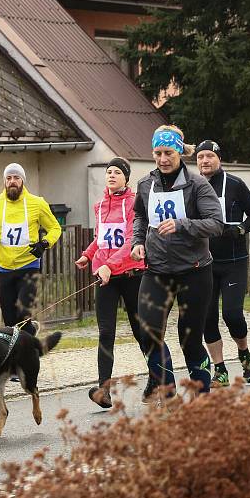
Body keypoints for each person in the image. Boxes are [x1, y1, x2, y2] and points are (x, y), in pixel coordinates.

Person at [131, 125, 224, 400]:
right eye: (157, 153)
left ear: (179, 153)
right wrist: (138, 242)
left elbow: (216, 223)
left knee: (189, 338)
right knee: (147, 332)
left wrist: (182, 225)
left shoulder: (197, 184)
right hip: (157, 269)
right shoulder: (146, 184)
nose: (162, 159)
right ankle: (168, 390)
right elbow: (140, 216)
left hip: (194, 271)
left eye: (168, 153)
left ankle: (201, 393)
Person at [75, 157, 173, 408]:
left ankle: (158, 380)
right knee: (106, 332)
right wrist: (88, 254)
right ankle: (103, 390)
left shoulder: (133, 203)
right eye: (108, 172)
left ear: (126, 178)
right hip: (106, 277)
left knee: (142, 332)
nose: (111, 175)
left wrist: (111, 265)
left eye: (117, 172)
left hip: (133, 275)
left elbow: (131, 239)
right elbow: (101, 239)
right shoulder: (99, 206)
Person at [196, 140, 250, 387]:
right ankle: (220, 369)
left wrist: (242, 228)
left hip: (234, 261)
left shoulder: (235, 184)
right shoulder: (192, 186)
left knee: (232, 314)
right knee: (207, 317)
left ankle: (244, 353)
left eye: (209, 156)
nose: (204, 161)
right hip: (204, 263)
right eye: (200, 157)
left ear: (219, 159)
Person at [0, 163, 62, 337]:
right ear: (4, 181)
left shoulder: (37, 203)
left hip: (29, 265)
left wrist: (44, 244)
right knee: (9, 319)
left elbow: (55, 228)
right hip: (4, 266)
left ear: (23, 181)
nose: (12, 181)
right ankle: (22, 342)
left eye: (16, 178)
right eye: (8, 178)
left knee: (23, 314)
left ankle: (28, 346)